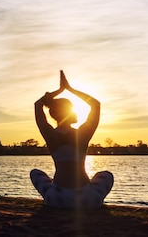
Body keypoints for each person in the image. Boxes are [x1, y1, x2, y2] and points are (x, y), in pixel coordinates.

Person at [30, 70, 113, 208]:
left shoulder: (50, 135)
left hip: (57, 198)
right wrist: (70, 89)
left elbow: (37, 105)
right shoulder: (82, 134)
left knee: (35, 173)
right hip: (87, 198)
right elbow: (95, 105)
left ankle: (55, 190)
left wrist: (58, 91)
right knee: (106, 175)